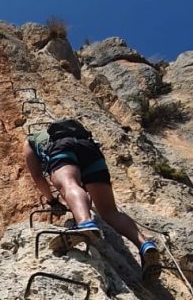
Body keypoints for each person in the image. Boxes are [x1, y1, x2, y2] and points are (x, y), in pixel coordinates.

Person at [23, 119, 161, 279]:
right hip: (90, 148)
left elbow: (37, 176)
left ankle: (84, 223)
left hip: (62, 148)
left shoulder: (30, 140)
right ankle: (145, 244)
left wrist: (52, 201)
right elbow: (87, 193)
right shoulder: (72, 132)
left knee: (70, 184)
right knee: (110, 212)